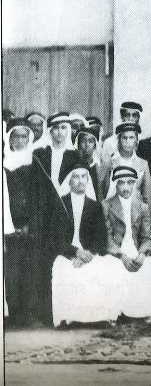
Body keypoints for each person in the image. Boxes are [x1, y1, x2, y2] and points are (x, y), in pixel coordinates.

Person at [49, 163, 120, 327]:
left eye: (83, 177)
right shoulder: (60, 204)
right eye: (76, 177)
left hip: (89, 253)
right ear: (69, 181)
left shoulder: (95, 206)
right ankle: (68, 318)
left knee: (105, 267)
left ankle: (99, 317)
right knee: (62, 268)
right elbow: (55, 238)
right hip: (67, 253)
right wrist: (75, 252)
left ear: (88, 180)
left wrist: (87, 254)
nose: (80, 181)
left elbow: (100, 237)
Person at [29, 112, 80, 324]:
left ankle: (67, 313)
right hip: (44, 217)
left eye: (63, 128)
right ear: (49, 131)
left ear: (68, 131)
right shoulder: (40, 154)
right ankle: (44, 314)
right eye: (55, 129)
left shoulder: (75, 156)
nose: (59, 133)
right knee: (43, 263)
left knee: (65, 263)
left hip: (67, 214)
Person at [102, 165, 151, 323]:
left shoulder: (142, 207)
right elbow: (106, 236)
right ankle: (114, 313)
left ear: (134, 184)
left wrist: (142, 253)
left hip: (135, 248)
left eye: (129, 182)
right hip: (116, 251)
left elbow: (147, 236)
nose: (126, 187)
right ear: (115, 184)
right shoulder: (106, 205)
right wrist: (121, 256)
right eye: (121, 183)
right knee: (112, 267)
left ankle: (144, 312)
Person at [3, 119, 39, 326]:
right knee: (12, 270)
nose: (19, 140)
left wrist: (29, 224)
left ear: (29, 138)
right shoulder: (4, 164)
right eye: (15, 136)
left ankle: (29, 314)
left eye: (23, 136)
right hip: (9, 227)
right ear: (9, 139)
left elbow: (39, 199)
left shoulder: (36, 163)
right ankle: (14, 313)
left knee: (30, 269)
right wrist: (10, 225)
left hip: (31, 228)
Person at [98, 122, 151, 206]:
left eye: (131, 138)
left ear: (136, 141)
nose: (128, 141)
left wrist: (146, 212)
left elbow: (147, 196)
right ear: (119, 140)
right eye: (124, 138)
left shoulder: (143, 164)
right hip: (113, 209)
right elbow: (100, 189)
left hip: (135, 209)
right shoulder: (109, 162)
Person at [73, 124, 103, 189]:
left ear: (95, 145)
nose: (87, 144)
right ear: (78, 144)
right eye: (83, 141)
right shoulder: (72, 165)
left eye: (90, 141)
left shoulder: (99, 167)